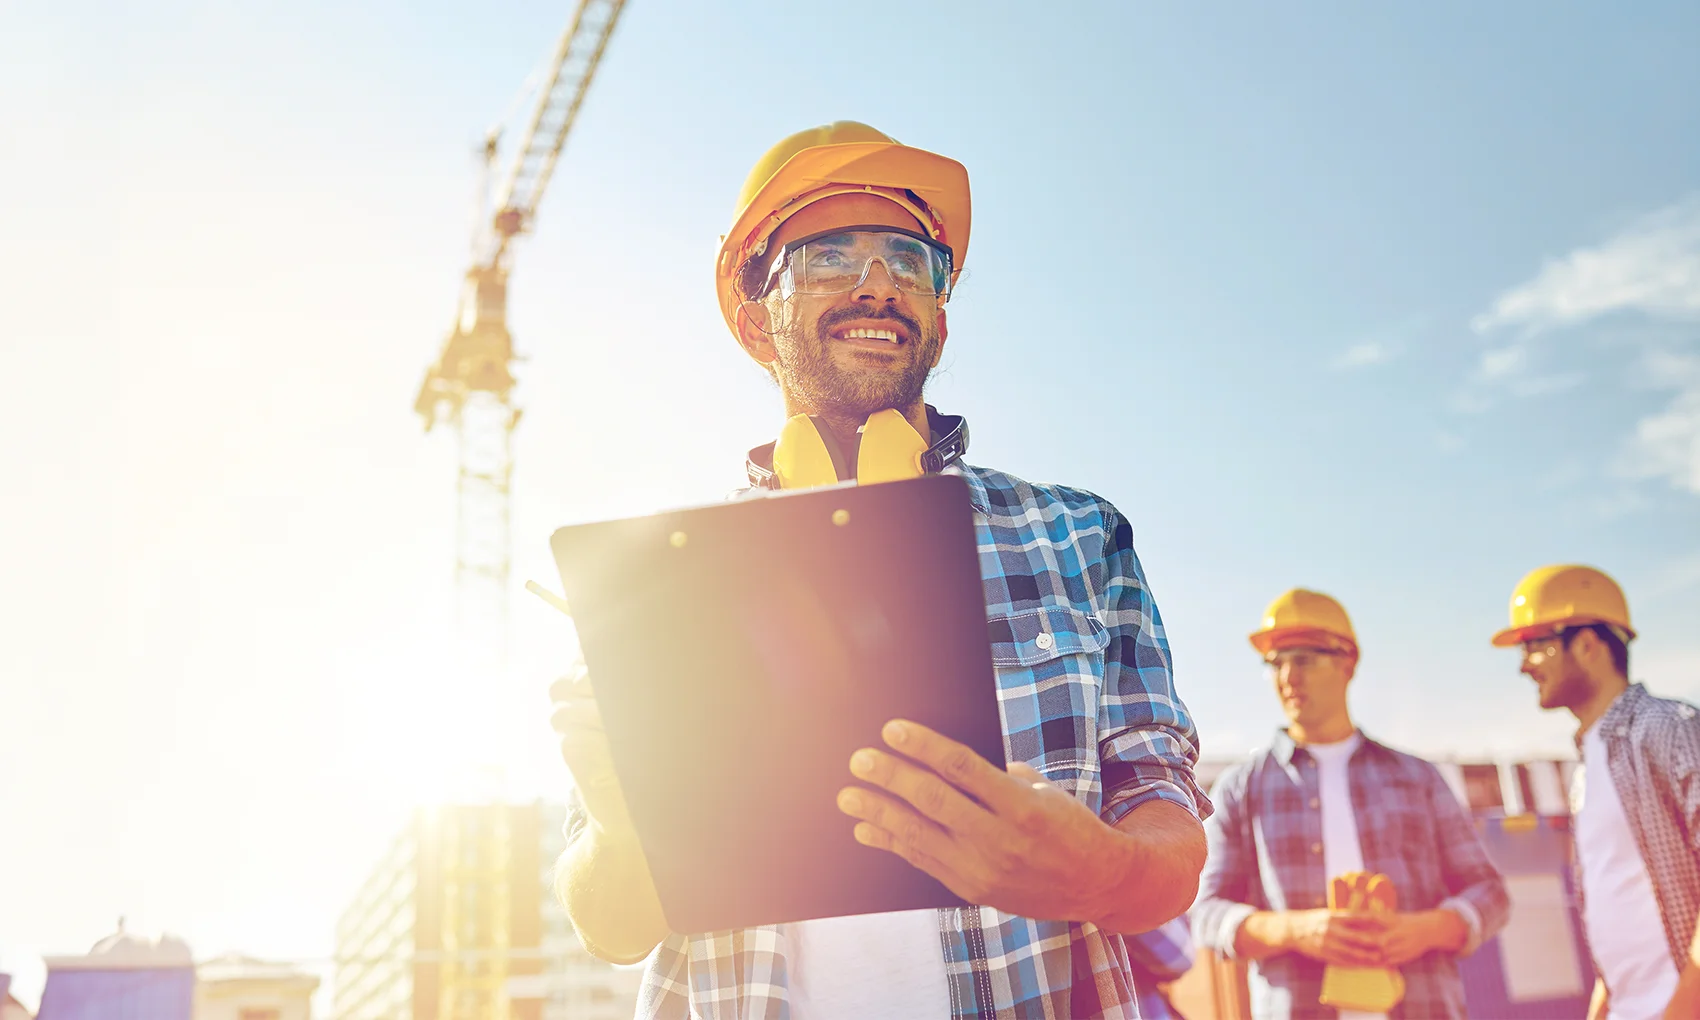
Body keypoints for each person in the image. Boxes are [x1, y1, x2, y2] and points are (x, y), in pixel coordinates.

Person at [545, 120, 1210, 1018]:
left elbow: (1165, 837)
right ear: (754, 318)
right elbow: (611, 927)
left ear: (940, 311)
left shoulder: (1079, 534)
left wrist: (1104, 872)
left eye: (910, 259)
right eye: (828, 256)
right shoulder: (660, 582)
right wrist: (625, 824)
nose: (879, 285)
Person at [1192, 588, 1509, 1018]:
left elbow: (1490, 892)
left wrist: (1427, 929)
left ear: (1348, 662)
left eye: (1302, 659)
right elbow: (1206, 913)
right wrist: (1295, 929)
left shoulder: (1418, 778)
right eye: (1276, 662)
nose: (1287, 676)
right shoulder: (1240, 788)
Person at [1494, 564, 1700, 1020]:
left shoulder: (1668, 728)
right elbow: (1622, 909)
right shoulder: (1586, 770)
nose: (1524, 664)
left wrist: (1683, 1007)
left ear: (1587, 644)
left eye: (1535, 645)